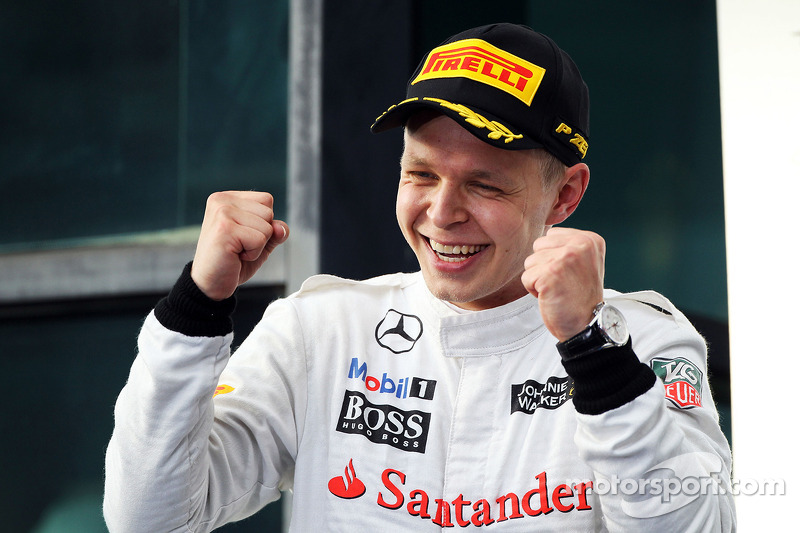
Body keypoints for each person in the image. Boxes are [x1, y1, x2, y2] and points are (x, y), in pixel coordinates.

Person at [103, 23, 735, 532]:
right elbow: (149, 519)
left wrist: (590, 349)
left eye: (485, 184)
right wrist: (196, 308)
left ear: (565, 195)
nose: (442, 212)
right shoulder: (321, 331)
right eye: (421, 174)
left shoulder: (643, 344)